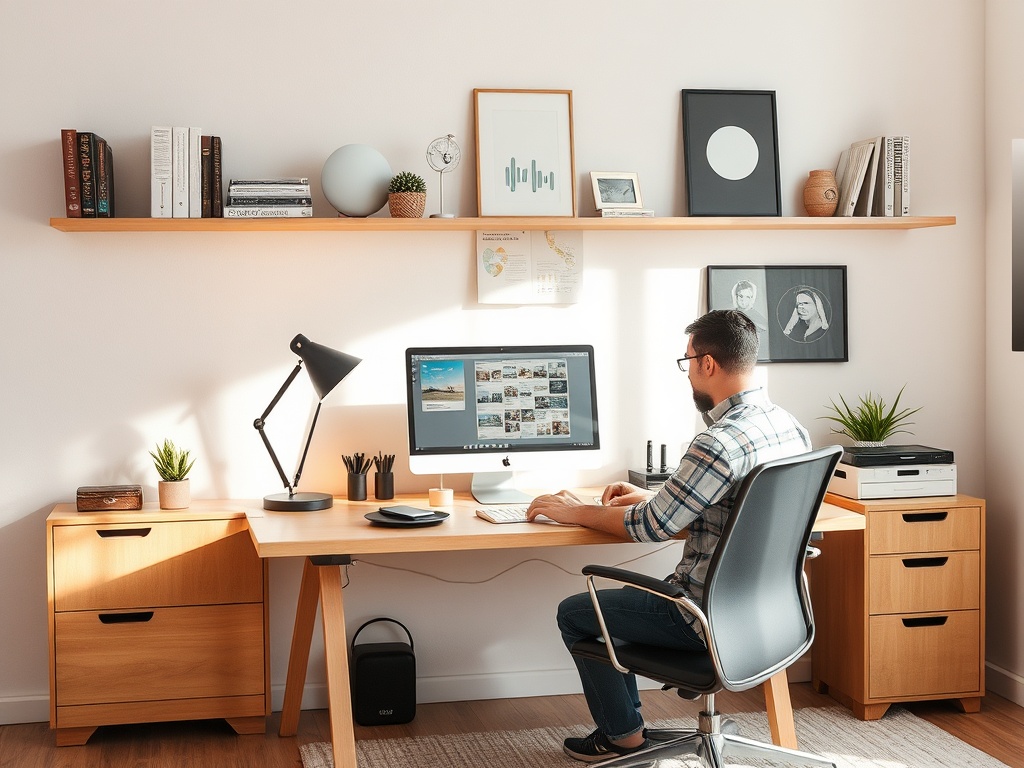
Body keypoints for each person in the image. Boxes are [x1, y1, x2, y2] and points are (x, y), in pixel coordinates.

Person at [526, 309, 812, 763]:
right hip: (768, 616)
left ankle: (623, 737)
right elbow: (734, 514)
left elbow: (649, 526)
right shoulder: (788, 428)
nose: (688, 373)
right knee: (600, 611)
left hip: (700, 618)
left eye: (688, 361)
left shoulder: (717, 442)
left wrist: (573, 511)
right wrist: (658, 495)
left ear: (708, 364)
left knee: (578, 613)